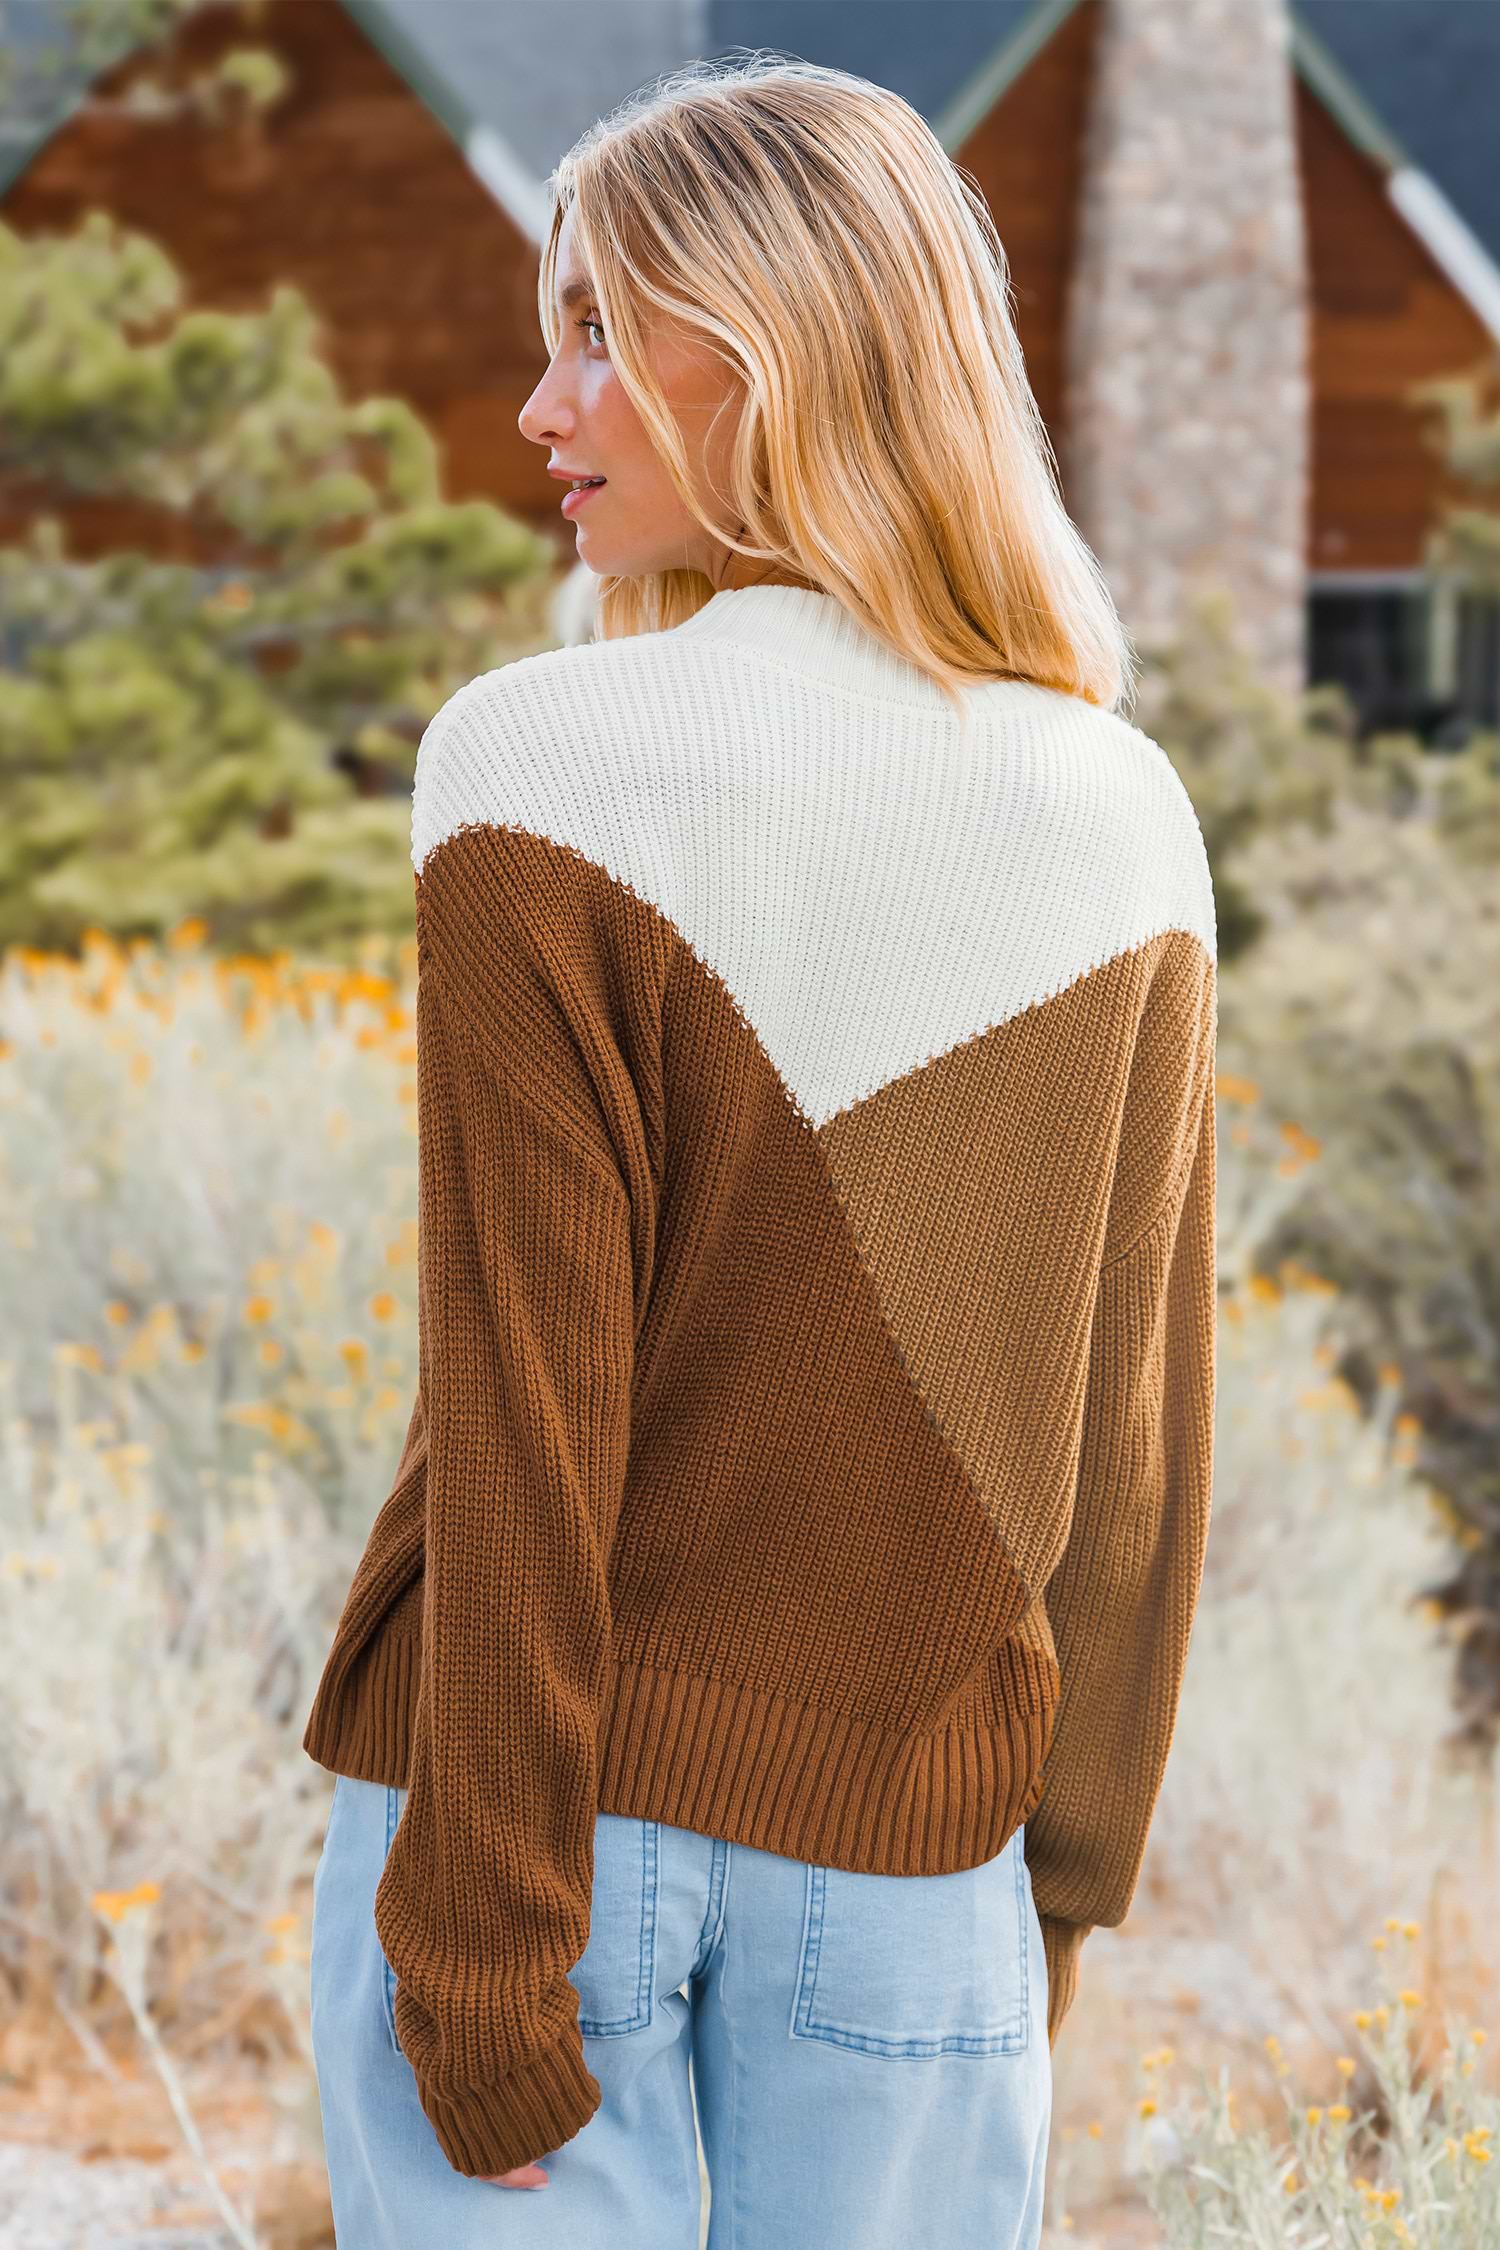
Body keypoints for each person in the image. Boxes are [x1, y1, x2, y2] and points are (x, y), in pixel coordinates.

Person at [303, 51, 1217, 2250]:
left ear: (784, 346)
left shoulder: (539, 761)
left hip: (537, 1834)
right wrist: (1049, 1902)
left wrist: (485, 1932)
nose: (545, 407)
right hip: (923, 1872)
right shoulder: (1121, 809)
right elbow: (1136, 1451)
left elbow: (526, 1401)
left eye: (602, 331)